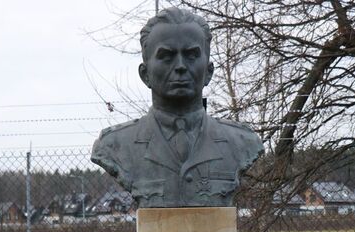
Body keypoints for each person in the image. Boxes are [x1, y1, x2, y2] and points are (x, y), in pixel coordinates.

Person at [91, 7, 263, 208]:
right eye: (166, 56)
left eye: (191, 55)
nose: (181, 66)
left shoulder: (243, 143)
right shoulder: (114, 145)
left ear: (208, 72)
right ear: (145, 74)